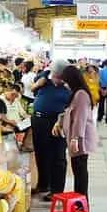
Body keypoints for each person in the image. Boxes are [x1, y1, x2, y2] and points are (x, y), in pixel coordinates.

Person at [31, 59, 71, 202]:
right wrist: (42, 79)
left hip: (58, 122)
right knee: (41, 153)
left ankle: (56, 190)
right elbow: (35, 84)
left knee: (58, 156)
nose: (58, 79)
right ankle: (43, 184)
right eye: (56, 76)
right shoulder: (43, 80)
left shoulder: (69, 86)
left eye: (61, 77)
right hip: (39, 120)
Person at [60, 65, 98, 197]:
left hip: (81, 139)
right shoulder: (76, 93)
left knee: (80, 171)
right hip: (76, 138)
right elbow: (69, 112)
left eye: (66, 81)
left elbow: (80, 118)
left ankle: (82, 201)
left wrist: (75, 138)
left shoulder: (81, 95)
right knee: (78, 170)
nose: (65, 85)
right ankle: (80, 200)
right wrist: (59, 123)